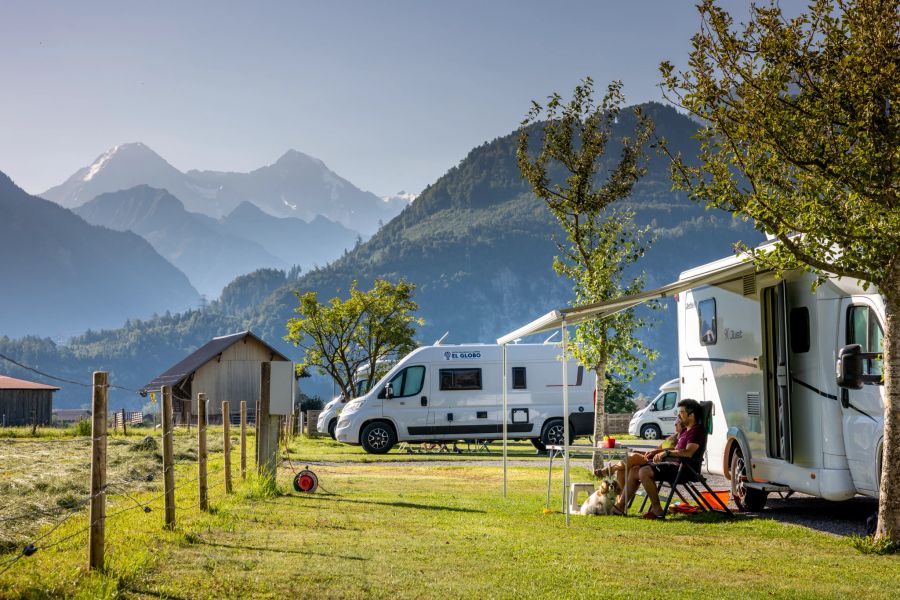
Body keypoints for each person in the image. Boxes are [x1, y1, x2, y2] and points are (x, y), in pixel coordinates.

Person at [612, 399, 705, 518]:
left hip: (684, 469)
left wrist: (665, 453)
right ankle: (620, 507)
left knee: (644, 471)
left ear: (691, 415)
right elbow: (670, 447)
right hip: (673, 466)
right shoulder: (684, 432)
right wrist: (657, 452)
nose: (679, 415)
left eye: (681, 412)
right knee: (634, 470)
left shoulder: (696, 431)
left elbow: (688, 453)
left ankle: (657, 509)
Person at [593, 418, 684, 499]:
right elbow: (655, 451)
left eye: (677, 421)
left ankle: (611, 469)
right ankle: (620, 502)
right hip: (653, 460)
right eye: (675, 421)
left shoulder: (682, 439)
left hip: (660, 464)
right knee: (623, 468)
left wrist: (654, 453)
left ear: (683, 424)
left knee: (633, 457)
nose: (675, 423)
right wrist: (643, 452)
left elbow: (674, 451)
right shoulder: (672, 438)